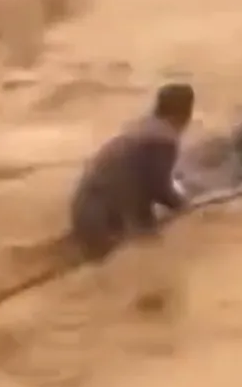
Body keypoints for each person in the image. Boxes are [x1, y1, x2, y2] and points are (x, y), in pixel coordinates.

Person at [69, 82, 196, 261]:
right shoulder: (163, 139)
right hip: (102, 220)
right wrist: (187, 209)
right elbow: (159, 189)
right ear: (186, 113)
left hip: (85, 211)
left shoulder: (143, 128)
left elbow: (141, 186)